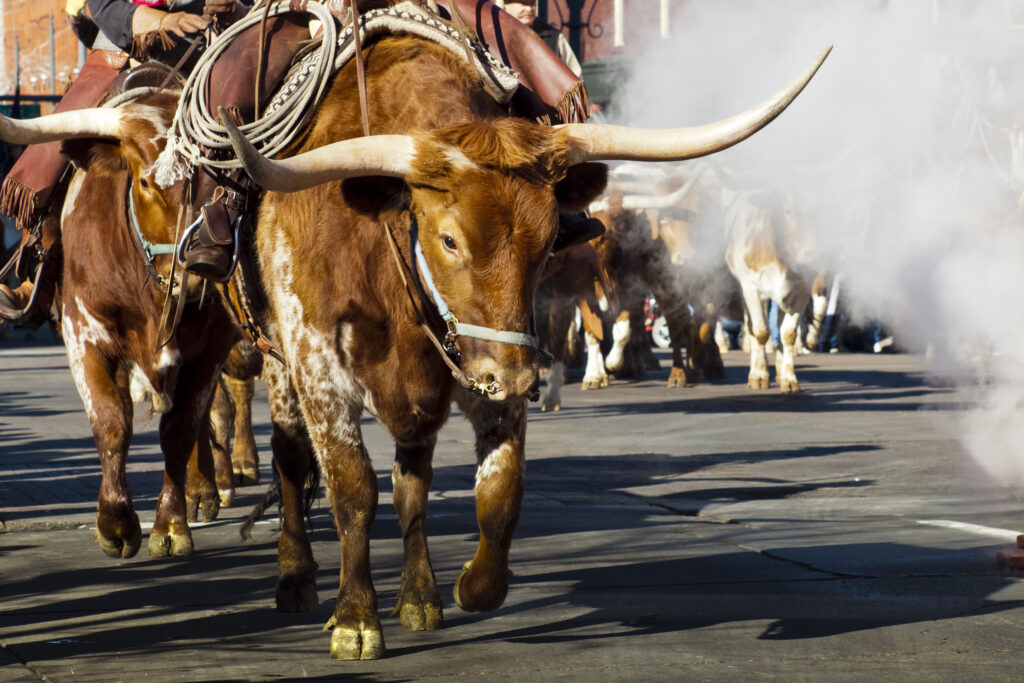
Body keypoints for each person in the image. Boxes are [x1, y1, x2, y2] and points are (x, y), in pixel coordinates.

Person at [0, 0, 245, 323]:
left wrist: (232, 7)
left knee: (249, 148)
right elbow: (103, 7)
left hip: (206, 57)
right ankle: (38, 281)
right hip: (124, 53)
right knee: (56, 152)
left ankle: (252, 292)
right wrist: (163, 20)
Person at [498, 0, 582, 77]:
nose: (529, 9)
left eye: (532, 3)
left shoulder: (554, 37)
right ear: (506, 6)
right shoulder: (494, 35)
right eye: (523, 3)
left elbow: (575, 78)